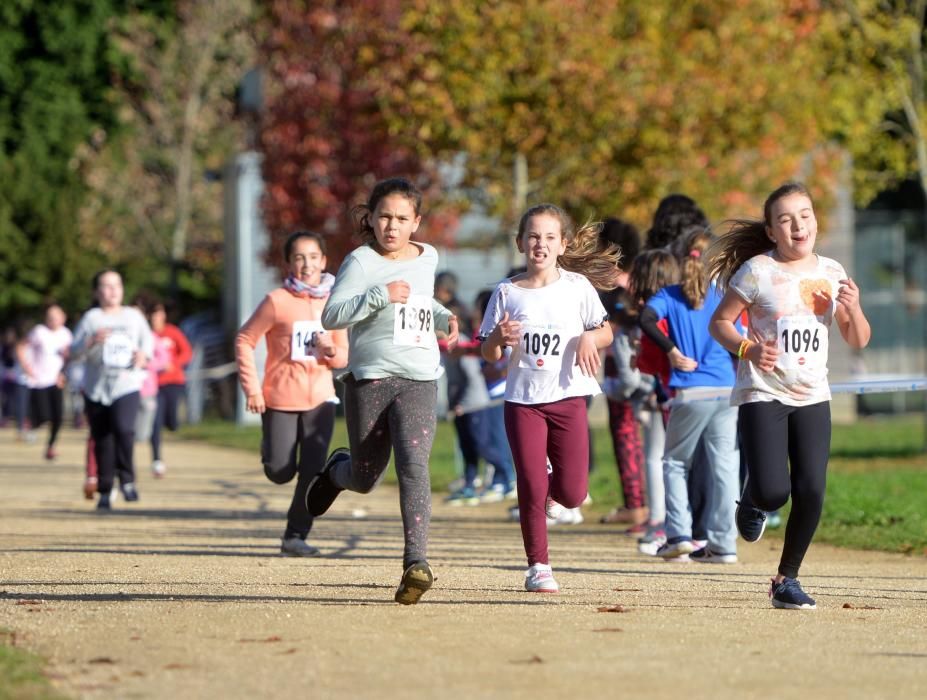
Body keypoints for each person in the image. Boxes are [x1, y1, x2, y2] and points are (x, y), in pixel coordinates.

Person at [708, 182, 871, 609]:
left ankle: (786, 579)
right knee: (774, 489)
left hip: (813, 395)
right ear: (771, 231)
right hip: (763, 391)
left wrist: (852, 309)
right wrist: (749, 348)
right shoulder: (757, 271)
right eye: (786, 219)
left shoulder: (833, 273)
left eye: (805, 215)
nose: (798, 225)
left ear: (815, 221)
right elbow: (720, 323)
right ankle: (754, 498)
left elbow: (858, 339)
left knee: (812, 489)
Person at [306, 177, 459, 604]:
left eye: (402, 218)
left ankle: (416, 562)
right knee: (366, 476)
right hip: (371, 376)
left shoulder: (428, 256)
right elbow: (332, 316)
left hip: (420, 376)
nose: (392, 226)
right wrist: (379, 295)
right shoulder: (360, 262)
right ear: (370, 219)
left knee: (414, 465)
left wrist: (446, 317)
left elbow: (421, 301)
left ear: (417, 222)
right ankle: (340, 469)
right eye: (385, 217)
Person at [478, 203, 619, 593]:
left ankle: (558, 496)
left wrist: (591, 336)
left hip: (569, 397)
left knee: (572, 492)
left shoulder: (577, 287)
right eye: (534, 236)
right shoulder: (506, 292)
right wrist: (496, 341)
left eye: (550, 237)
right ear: (521, 242)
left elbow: (605, 331)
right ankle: (538, 565)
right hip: (522, 400)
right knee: (531, 481)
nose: (541, 244)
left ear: (563, 244)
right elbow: (487, 354)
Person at [236, 230, 348, 557]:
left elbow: (343, 356)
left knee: (312, 471)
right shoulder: (276, 301)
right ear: (289, 263)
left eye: (313, 257)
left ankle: (295, 534)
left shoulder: (334, 303)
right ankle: (272, 451)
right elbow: (244, 340)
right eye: (299, 258)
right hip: (280, 398)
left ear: (324, 261)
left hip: (320, 398)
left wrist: (330, 351)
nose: (306, 264)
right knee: (280, 470)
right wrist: (252, 389)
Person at [639, 227, 741, 564]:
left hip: (691, 390)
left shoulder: (669, 295)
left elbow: (646, 319)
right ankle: (724, 543)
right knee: (724, 465)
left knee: (675, 462)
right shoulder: (725, 296)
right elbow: (737, 342)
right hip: (726, 388)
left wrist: (669, 349)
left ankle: (679, 534)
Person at [70, 270, 153, 510]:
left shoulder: (133, 317)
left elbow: (147, 344)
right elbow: (74, 352)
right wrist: (91, 341)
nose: (113, 290)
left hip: (126, 384)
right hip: (96, 388)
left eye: (117, 285)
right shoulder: (91, 319)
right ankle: (105, 489)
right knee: (102, 437)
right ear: (97, 292)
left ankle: (127, 479)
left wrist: (142, 356)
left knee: (125, 429)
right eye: (106, 286)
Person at [21, 304, 72, 460]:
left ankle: (51, 446)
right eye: (50, 317)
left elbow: (70, 358)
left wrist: (63, 373)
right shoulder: (39, 332)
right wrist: (27, 368)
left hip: (56, 380)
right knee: (44, 415)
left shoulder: (66, 334)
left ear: (63, 318)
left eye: (57, 316)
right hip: (39, 381)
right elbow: (21, 348)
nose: (54, 320)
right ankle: (31, 424)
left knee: (58, 417)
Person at [149, 299, 193, 477]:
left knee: (172, 422)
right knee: (155, 423)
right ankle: (157, 460)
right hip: (154, 385)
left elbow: (187, 352)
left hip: (174, 382)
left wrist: (174, 364)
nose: (156, 317)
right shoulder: (146, 334)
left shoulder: (172, 332)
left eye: (159, 313)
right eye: (153, 313)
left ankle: (172, 423)